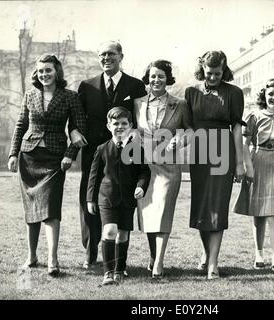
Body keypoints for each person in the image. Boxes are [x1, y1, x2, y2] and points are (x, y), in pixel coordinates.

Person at [69, 41, 147, 270]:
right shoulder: (87, 86)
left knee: (122, 200)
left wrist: (133, 137)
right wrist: (73, 130)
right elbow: (76, 117)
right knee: (90, 199)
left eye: (111, 54)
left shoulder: (135, 85)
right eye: (102, 54)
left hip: (125, 153)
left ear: (121, 56)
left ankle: (119, 261)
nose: (106, 58)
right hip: (94, 153)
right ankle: (90, 252)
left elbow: (140, 119)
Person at [7, 54, 86, 276]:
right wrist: (14, 153)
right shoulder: (30, 94)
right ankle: (31, 256)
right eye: (40, 71)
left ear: (57, 71)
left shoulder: (70, 97)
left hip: (55, 159)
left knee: (51, 209)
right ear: (36, 73)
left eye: (48, 70)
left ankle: (53, 260)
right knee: (31, 208)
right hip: (29, 156)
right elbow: (21, 124)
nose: (44, 75)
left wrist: (70, 154)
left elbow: (80, 128)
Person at [185, 51, 245, 280]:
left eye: (218, 74)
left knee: (218, 206)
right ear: (202, 69)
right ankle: (205, 252)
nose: (213, 78)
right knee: (201, 206)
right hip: (199, 152)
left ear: (224, 70)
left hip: (223, 151)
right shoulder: (191, 92)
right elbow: (187, 125)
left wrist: (239, 163)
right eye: (209, 73)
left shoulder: (234, 92)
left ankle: (213, 263)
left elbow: (237, 128)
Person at [134, 60, 192, 279]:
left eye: (160, 76)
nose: (156, 80)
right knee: (148, 213)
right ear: (147, 79)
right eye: (152, 76)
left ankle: (159, 262)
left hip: (168, 165)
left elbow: (189, 131)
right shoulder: (137, 103)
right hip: (144, 166)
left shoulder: (179, 104)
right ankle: (152, 256)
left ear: (167, 79)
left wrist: (178, 141)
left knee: (164, 211)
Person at [87, 107, 150, 285]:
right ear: (109, 126)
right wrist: (90, 198)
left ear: (130, 126)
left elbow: (144, 172)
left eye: (124, 123)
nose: (120, 127)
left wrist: (141, 187)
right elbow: (94, 176)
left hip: (128, 199)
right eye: (116, 124)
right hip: (106, 197)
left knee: (122, 235)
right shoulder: (102, 149)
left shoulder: (136, 149)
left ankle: (119, 269)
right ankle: (108, 272)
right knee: (109, 230)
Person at [235, 79, 274, 274]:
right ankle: (259, 255)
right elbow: (244, 143)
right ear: (264, 97)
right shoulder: (254, 115)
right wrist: (247, 166)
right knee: (258, 213)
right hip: (258, 161)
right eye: (270, 94)